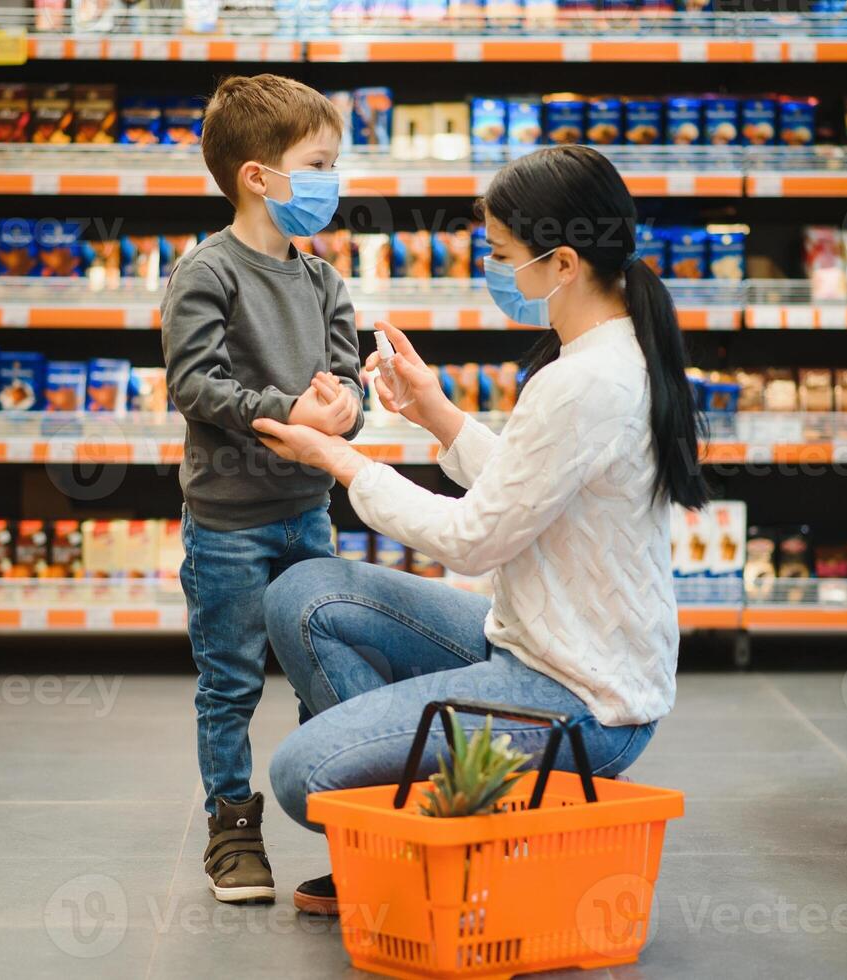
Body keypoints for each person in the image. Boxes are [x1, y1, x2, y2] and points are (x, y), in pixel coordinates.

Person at [252, 143, 709, 915]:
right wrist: (434, 408)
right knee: (305, 594)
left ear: (561, 263)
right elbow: (531, 488)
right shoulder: (609, 351)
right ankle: (426, 804)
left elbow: (475, 538)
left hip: (582, 700)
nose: (495, 270)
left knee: (305, 776)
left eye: (501, 254)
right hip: (536, 640)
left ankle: (449, 851)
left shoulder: (584, 380)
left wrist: (341, 460)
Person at [160, 73, 365, 905]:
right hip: (228, 526)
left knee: (324, 672)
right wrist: (288, 409)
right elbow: (194, 384)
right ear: (258, 175)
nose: (330, 183)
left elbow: (349, 377)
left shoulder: (324, 282)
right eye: (317, 164)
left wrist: (346, 404)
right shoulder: (207, 274)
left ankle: (345, 830)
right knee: (232, 681)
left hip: (306, 514)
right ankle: (232, 830)